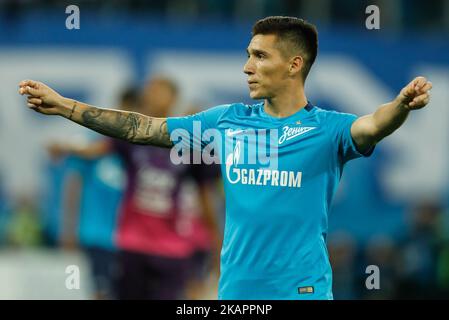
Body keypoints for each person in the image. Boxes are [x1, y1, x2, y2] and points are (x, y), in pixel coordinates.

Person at [18, 16, 432, 300]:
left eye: (259, 56)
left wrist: (400, 107)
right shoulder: (227, 122)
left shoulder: (328, 130)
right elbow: (144, 128)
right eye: (248, 55)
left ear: (294, 64)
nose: (247, 67)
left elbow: (372, 125)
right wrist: (65, 106)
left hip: (300, 290)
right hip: (235, 292)